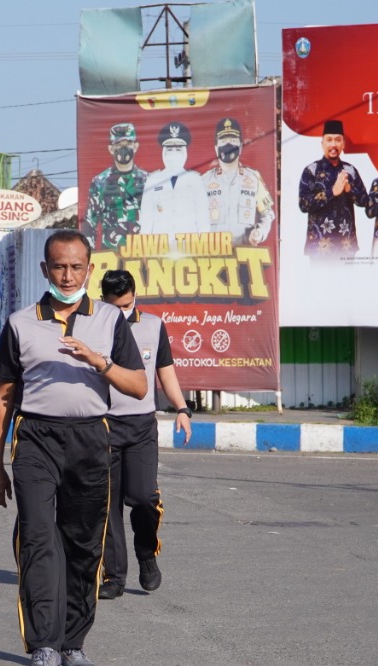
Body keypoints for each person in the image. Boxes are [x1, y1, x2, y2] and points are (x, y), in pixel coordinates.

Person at [0, 230, 147, 666]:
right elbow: (4, 396)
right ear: (45, 270)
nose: (68, 275)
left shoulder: (111, 319)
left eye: (77, 267)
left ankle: (73, 643)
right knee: (37, 540)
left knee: (82, 545)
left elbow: (137, 386)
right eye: (59, 266)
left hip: (92, 440)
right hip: (36, 438)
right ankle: (43, 648)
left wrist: (99, 361)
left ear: (90, 269)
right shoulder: (20, 322)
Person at [96, 269, 193, 600]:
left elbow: (165, 370)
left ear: (135, 296)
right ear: (103, 300)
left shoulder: (152, 325)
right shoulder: (93, 325)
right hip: (102, 425)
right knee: (106, 505)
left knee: (142, 498)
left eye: (127, 304)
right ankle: (114, 575)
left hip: (140, 426)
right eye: (115, 306)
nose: (122, 312)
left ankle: (147, 554)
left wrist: (181, 409)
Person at [297, 119, 368, 258]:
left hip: (346, 246)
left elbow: (365, 201)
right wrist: (332, 192)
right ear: (322, 143)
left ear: (343, 143)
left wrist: (349, 190)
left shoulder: (350, 170)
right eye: (329, 140)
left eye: (338, 140)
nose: (333, 144)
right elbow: (303, 205)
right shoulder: (311, 171)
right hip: (319, 247)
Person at [203, 116, 274, 247]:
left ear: (240, 147)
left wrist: (260, 232)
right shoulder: (204, 181)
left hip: (244, 255)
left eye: (233, 140)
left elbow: (268, 214)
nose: (228, 144)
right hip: (213, 256)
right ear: (216, 147)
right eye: (223, 140)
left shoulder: (253, 178)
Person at [139, 122, 207, 251]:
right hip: (159, 249)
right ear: (164, 152)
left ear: (185, 152)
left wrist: (203, 248)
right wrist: (145, 250)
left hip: (189, 248)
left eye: (178, 149)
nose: (174, 154)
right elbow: (146, 221)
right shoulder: (153, 180)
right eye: (170, 150)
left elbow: (203, 219)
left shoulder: (195, 179)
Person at [82, 122, 148, 252]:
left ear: (135, 146)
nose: (123, 149)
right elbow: (90, 224)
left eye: (128, 144)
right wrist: (91, 258)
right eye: (118, 145)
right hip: (111, 256)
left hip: (144, 254)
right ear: (111, 149)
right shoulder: (100, 182)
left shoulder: (148, 181)